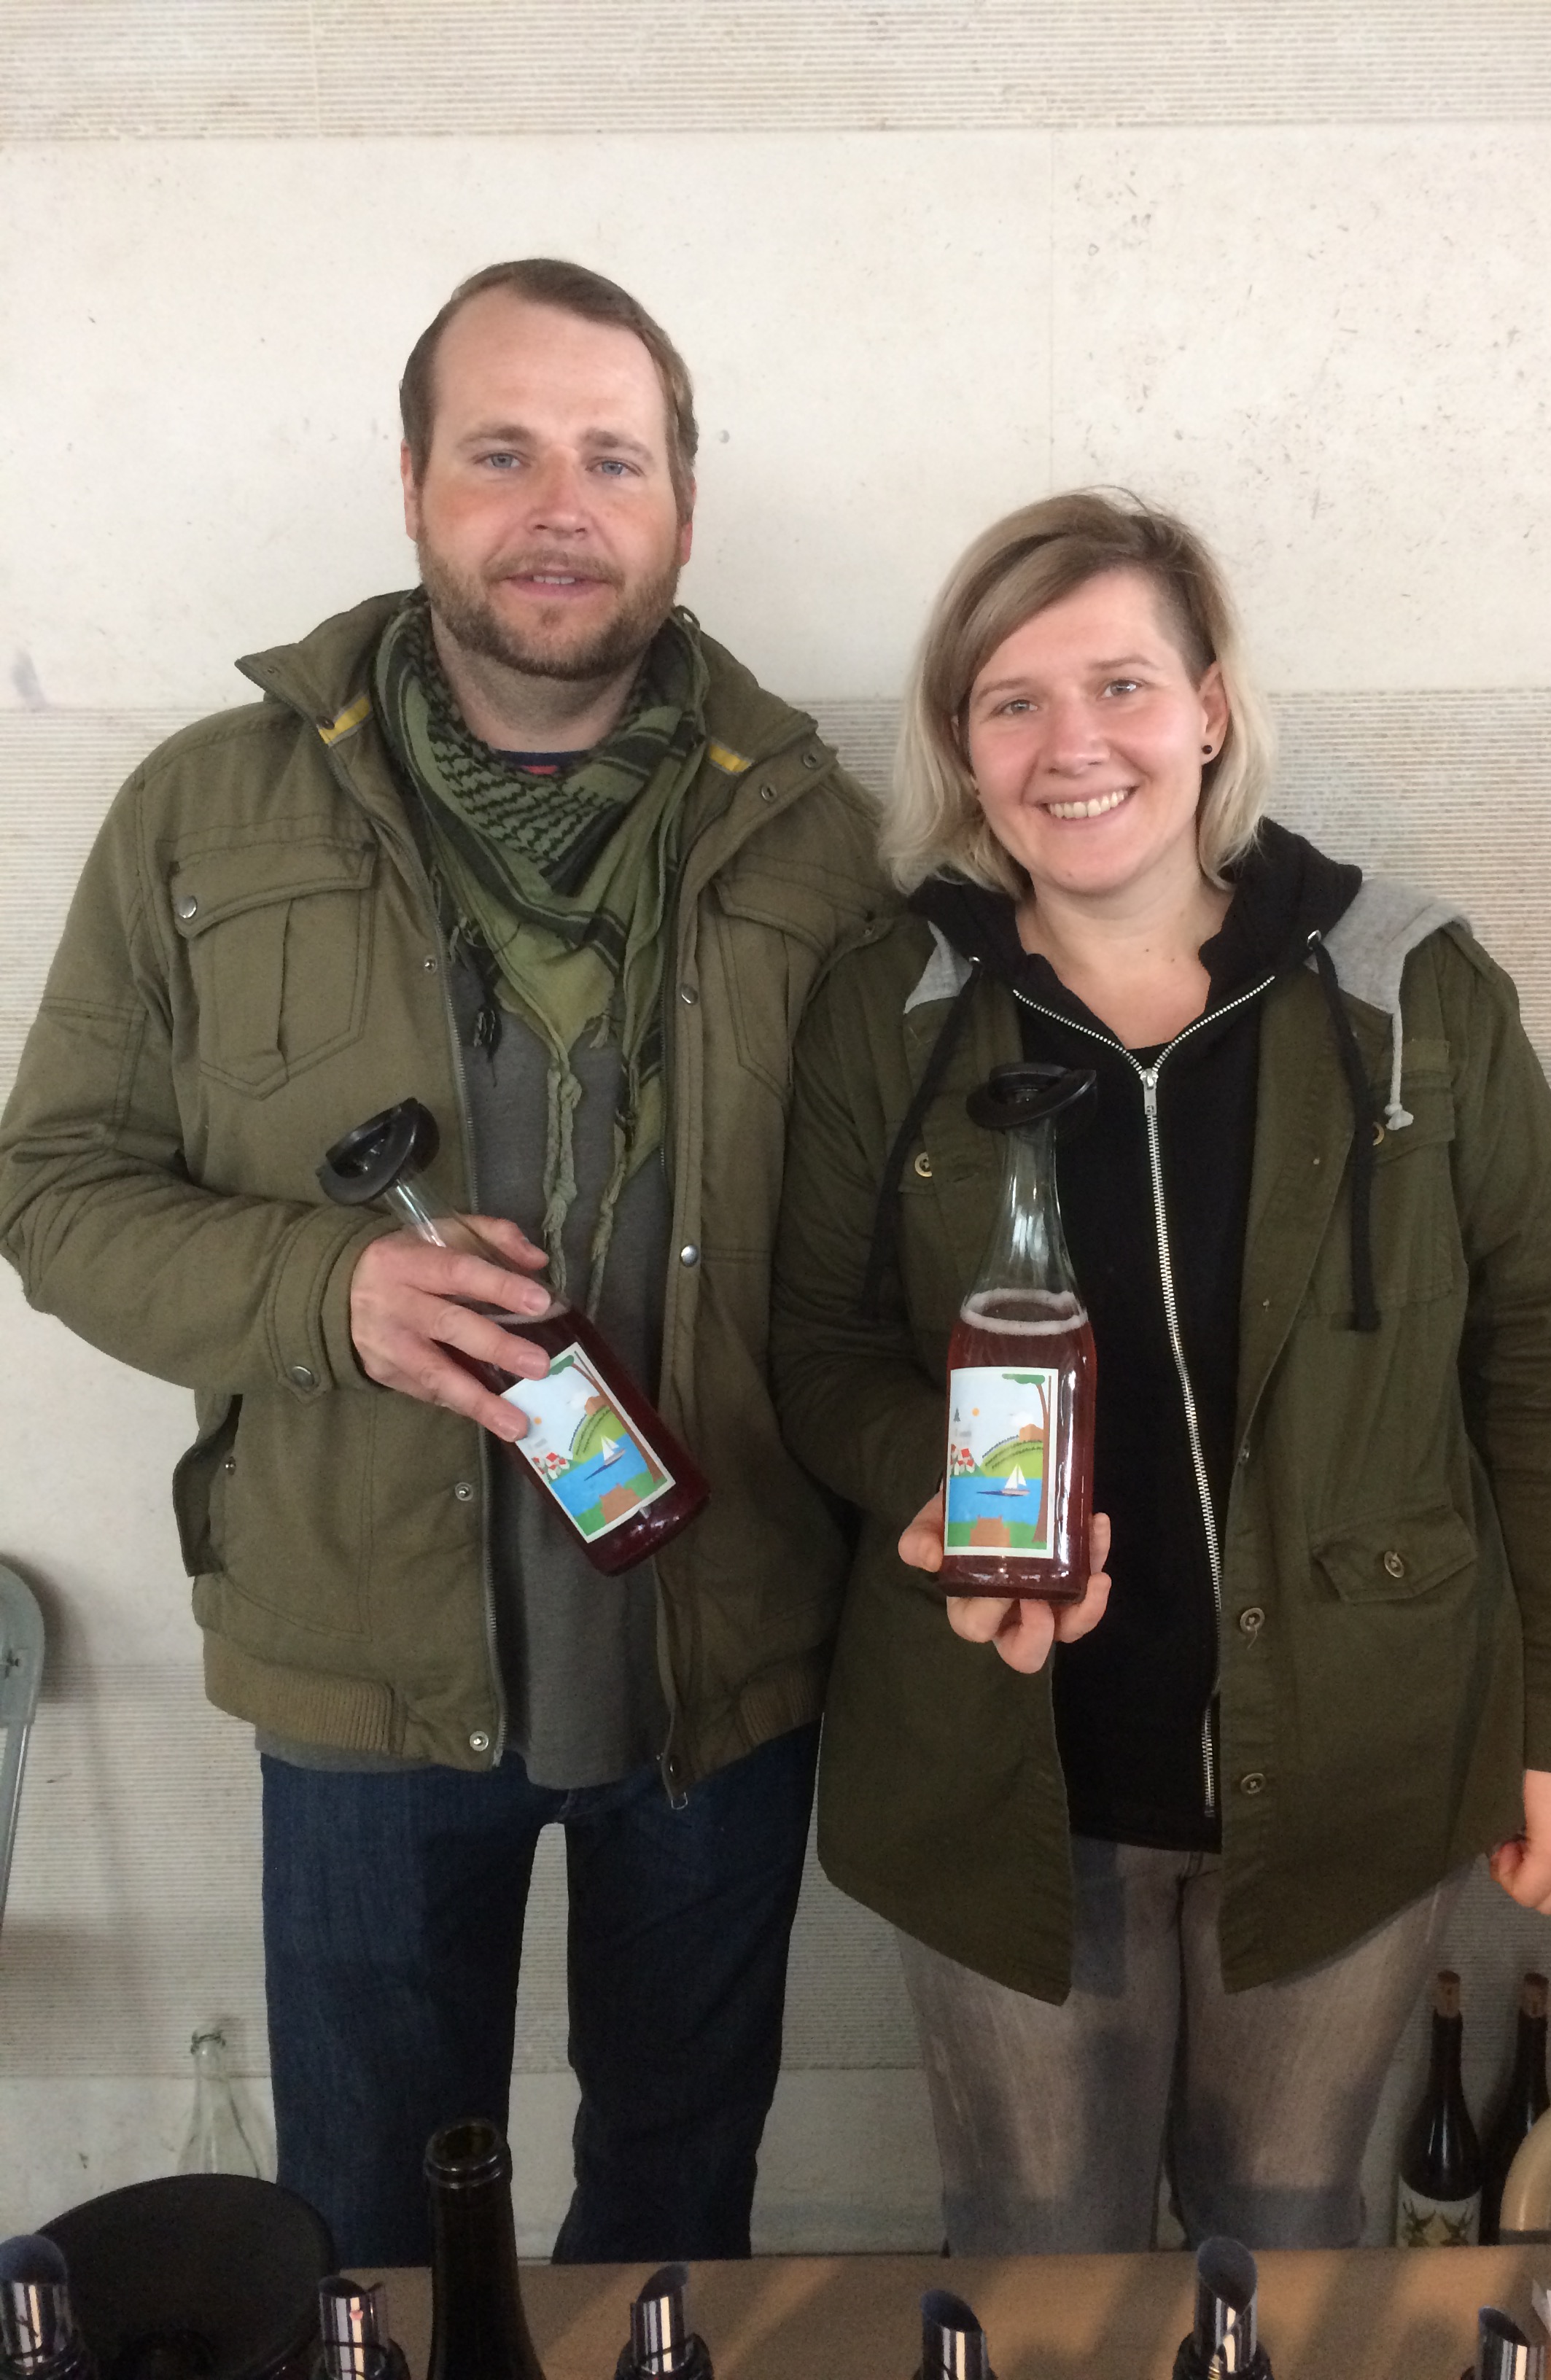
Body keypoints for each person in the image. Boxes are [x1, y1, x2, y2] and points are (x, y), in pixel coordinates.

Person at [0, 259, 887, 2263]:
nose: (559, 507)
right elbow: (52, 1188)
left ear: (683, 507)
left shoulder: (817, 840)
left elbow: (885, 1257)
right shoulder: (200, 813)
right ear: (411, 484)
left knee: (677, 2214)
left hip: (720, 1653)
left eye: (613, 459)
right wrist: (330, 1295)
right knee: (377, 2247)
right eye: (502, 453)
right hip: (365, 1679)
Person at [771, 490, 1551, 2252]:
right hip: (1007, 1779)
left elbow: (1548, 1357)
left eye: (1123, 686)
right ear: (962, 744)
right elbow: (819, 1346)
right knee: (1038, 2267)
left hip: (1353, 1770)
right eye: (1013, 702)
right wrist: (938, 1493)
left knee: (1285, 2253)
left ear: (1212, 708)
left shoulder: (1412, 992)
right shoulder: (888, 1009)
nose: (1073, 746)